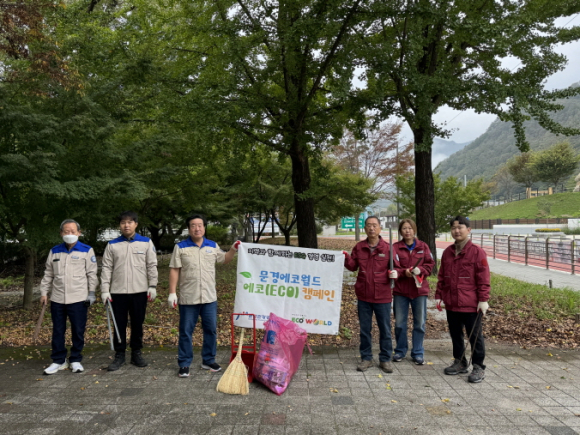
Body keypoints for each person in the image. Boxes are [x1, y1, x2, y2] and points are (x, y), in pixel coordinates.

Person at [167, 214, 239, 378]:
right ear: (188, 228)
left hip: (209, 298)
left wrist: (233, 249)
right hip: (188, 298)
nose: (197, 228)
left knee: (211, 330)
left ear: (204, 227)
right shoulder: (181, 247)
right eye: (193, 225)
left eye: (200, 225)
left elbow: (224, 259)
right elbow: (174, 269)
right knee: (186, 331)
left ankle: (208, 360)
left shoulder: (212, 245)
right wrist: (172, 292)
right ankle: (184, 363)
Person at [100, 211, 158, 371]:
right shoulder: (112, 245)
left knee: (137, 323)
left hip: (140, 291)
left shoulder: (146, 243)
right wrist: (104, 289)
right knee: (119, 324)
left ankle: (136, 353)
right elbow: (106, 268)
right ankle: (119, 355)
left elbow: (152, 265)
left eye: (130, 222)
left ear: (136, 224)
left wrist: (153, 285)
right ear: (120, 225)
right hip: (117, 292)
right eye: (123, 222)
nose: (126, 225)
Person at [435, 216, 490, 383]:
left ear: (468, 230)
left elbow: (483, 277)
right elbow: (442, 276)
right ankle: (460, 361)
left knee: (475, 336)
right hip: (452, 302)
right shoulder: (448, 252)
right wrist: (439, 295)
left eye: (460, 227)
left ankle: (478, 366)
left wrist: (483, 299)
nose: (456, 231)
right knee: (455, 334)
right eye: (453, 228)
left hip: (470, 303)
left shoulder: (477, 252)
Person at [40, 219, 98, 375]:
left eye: (73, 231)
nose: (70, 234)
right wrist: (44, 292)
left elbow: (92, 274)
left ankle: (75, 359)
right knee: (58, 330)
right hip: (58, 298)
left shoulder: (86, 250)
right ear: (61, 233)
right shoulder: (55, 251)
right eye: (66, 231)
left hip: (79, 298)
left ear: (79, 233)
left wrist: (91, 293)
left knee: (78, 330)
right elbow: (48, 273)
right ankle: (59, 361)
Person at [343, 216, 397, 373]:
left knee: (385, 329)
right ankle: (366, 358)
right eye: (368, 225)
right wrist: (346, 258)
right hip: (364, 295)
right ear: (365, 228)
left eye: (374, 225)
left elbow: (397, 267)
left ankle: (385, 359)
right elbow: (353, 266)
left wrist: (396, 273)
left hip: (382, 295)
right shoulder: (359, 247)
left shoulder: (388, 248)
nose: (371, 228)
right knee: (364, 329)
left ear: (380, 228)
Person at [391, 219, 434, 365]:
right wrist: (404, 272)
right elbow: (392, 267)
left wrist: (420, 270)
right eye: (404, 228)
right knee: (399, 323)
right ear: (400, 231)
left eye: (410, 228)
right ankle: (400, 350)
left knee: (419, 323)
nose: (407, 231)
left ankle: (418, 352)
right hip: (401, 291)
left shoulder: (423, 246)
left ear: (414, 230)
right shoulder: (395, 248)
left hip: (419, 291)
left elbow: (430, 265)